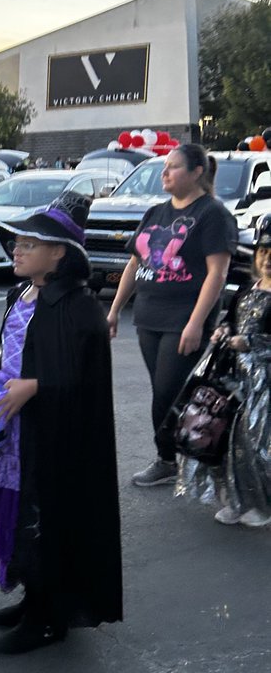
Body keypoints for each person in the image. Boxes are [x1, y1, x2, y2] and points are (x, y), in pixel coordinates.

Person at [0, 193, 122, 653]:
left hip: (53, 434)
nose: (16, 248)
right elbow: (28, 347)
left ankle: (49, 616)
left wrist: (33, 386)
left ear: (59, 253)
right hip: (17, 428)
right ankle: (34, 595)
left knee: (47, 515)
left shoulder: (77, 306)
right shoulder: (22, 293)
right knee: (21, 512)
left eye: (29, 243)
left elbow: (78, 375)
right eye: (17, 241)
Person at [107, 144, 238, 486]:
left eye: (174, 167)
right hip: (148, 316)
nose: (164, 173)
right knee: (164, 391)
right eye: (164, 167)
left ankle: (171, 458)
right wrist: (115, 308)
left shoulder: (212, 214)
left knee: (167, 392)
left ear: (197, 172)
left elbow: (217, 274)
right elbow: (136, 264)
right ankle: (182, 458)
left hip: (184, 317)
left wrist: (196, 323)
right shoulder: (155, 213)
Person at [181, 215, 271, 528]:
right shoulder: (246, 291)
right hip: (235, 378)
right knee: (228, 438)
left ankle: (261, 502)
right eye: (263, 252)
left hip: (265, 384)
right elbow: (230, 319)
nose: (268, 259)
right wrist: (222, 331)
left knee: (256, 443)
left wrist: (251, 342)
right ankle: (238, 499)